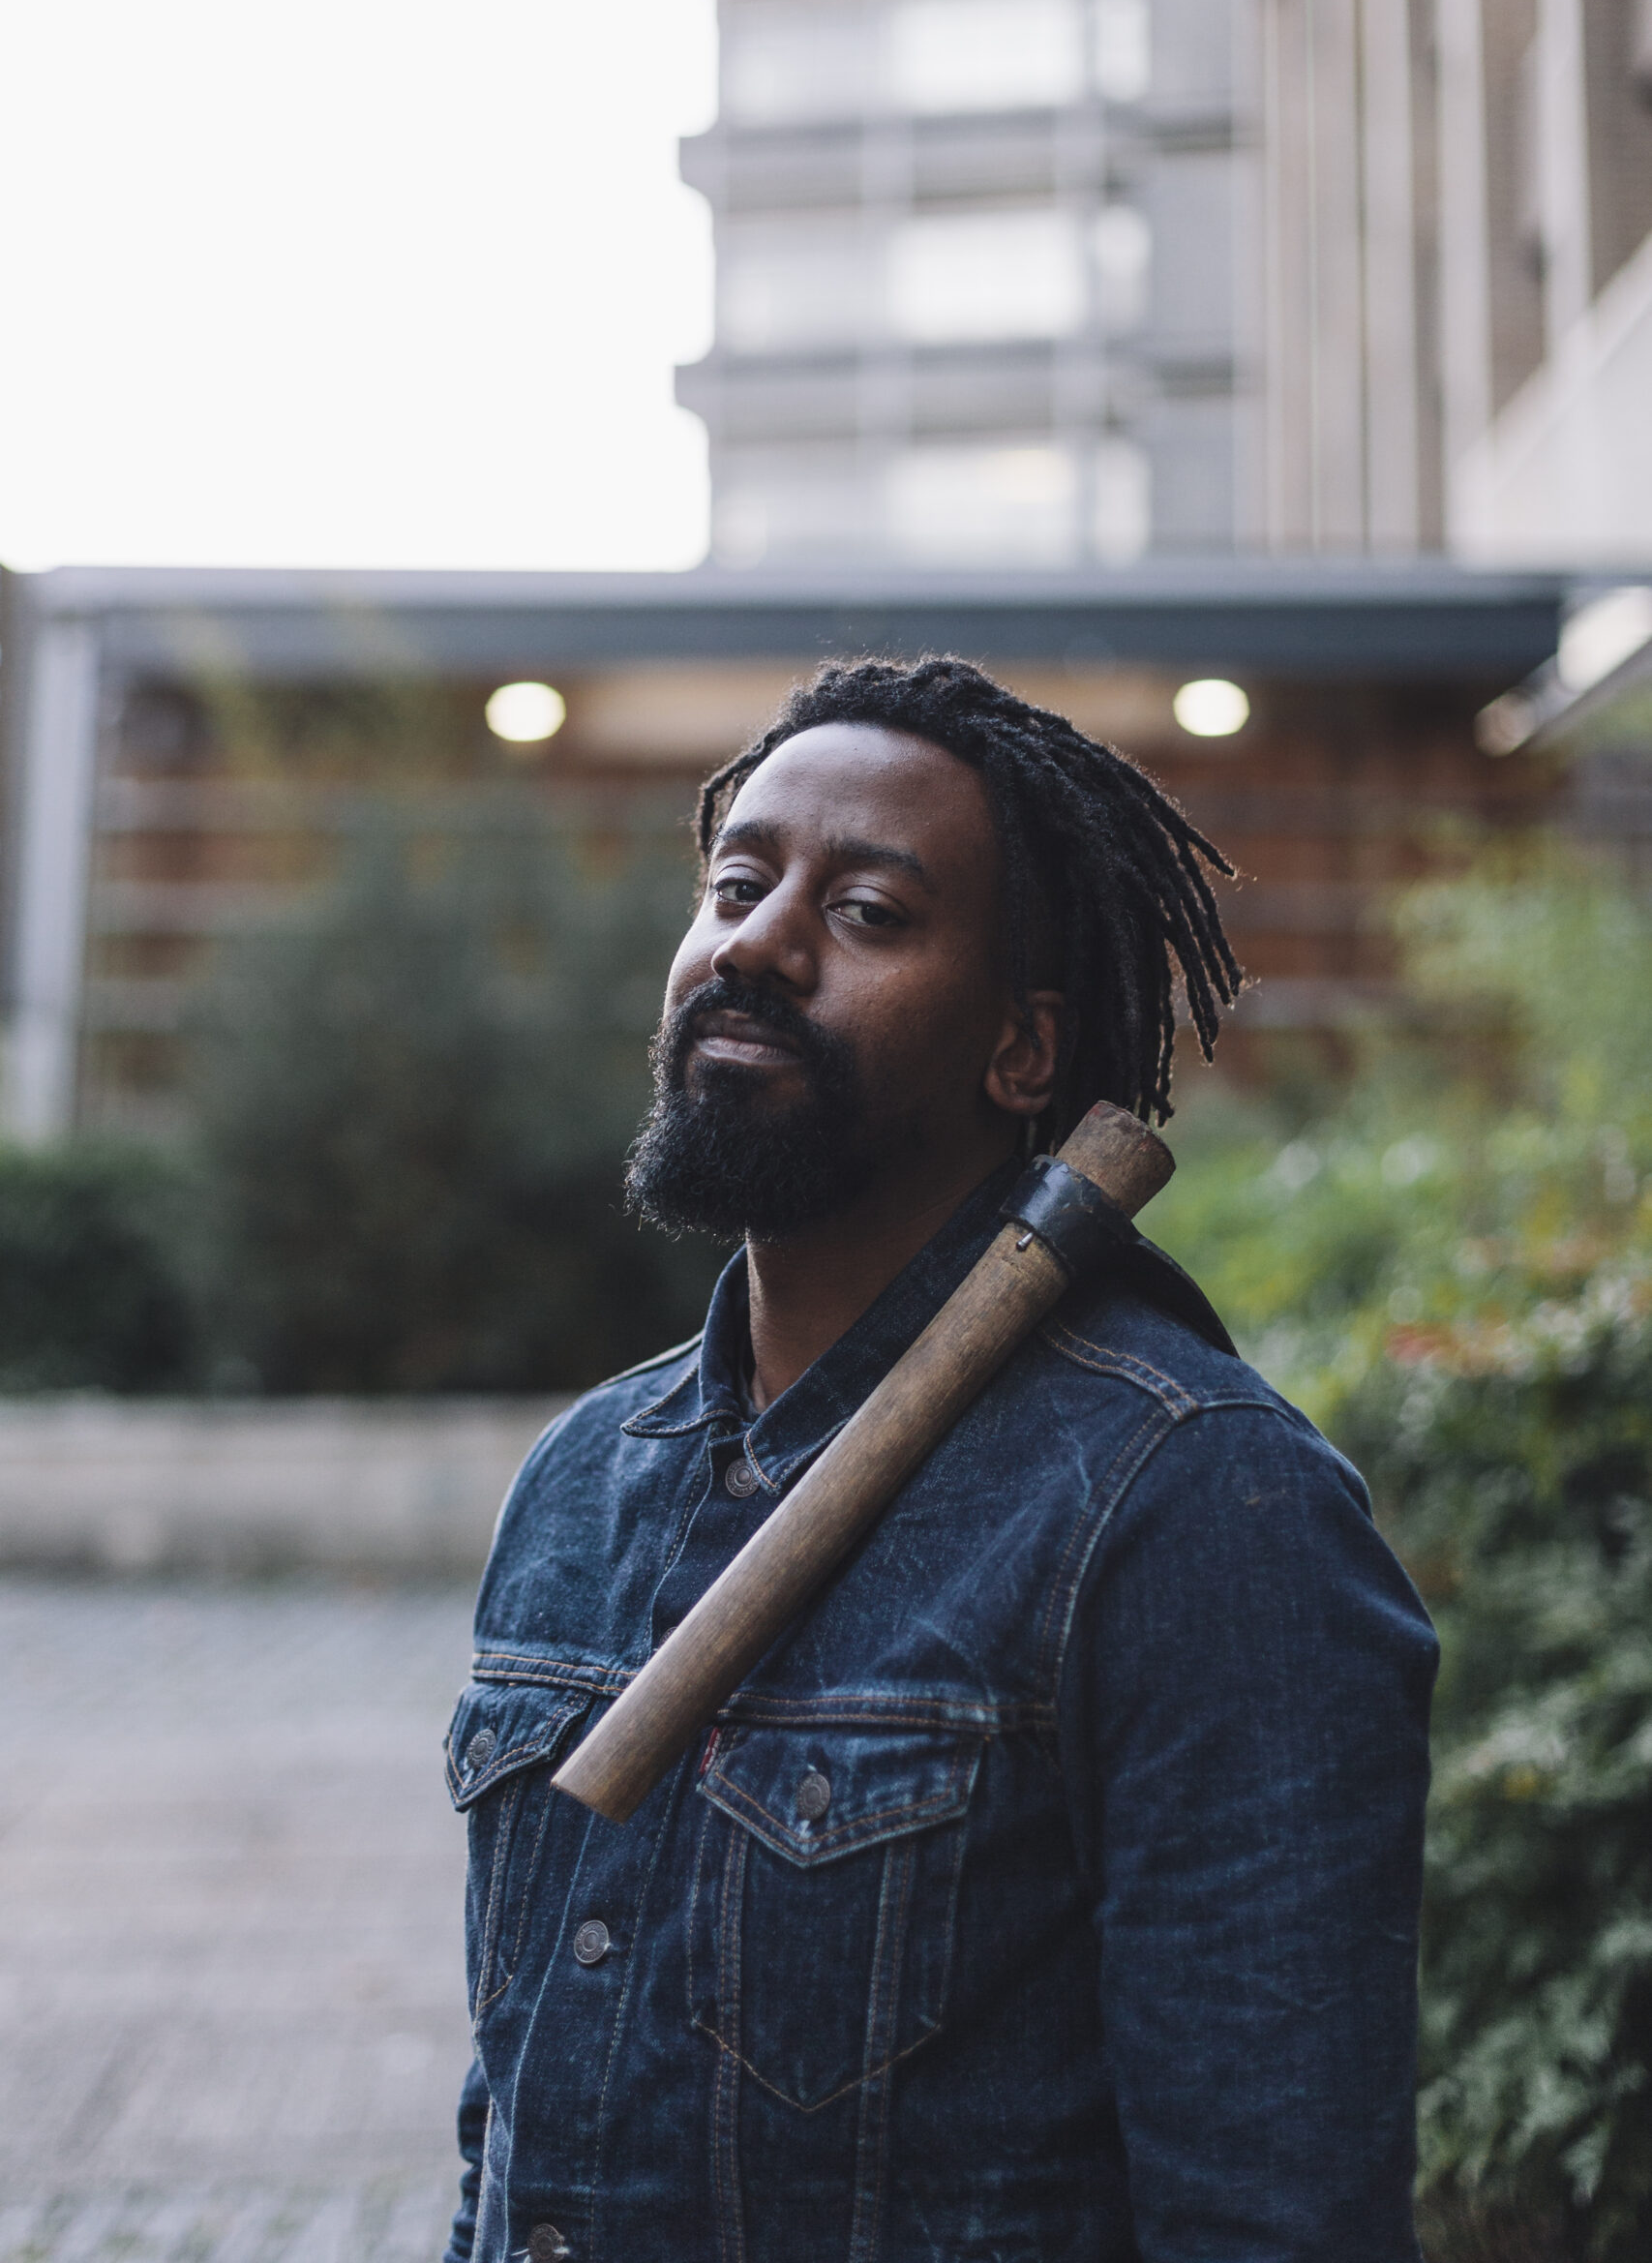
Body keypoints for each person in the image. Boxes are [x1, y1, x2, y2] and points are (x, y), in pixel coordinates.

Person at [442, 657, 1437, 2263]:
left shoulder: (1196, 1509)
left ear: (1023, 1053)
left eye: (868, 913)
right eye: (737, 886)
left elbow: (1272, 2216)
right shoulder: (580, 1480)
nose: (755, 943)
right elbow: (511, 2124)